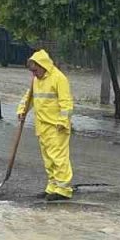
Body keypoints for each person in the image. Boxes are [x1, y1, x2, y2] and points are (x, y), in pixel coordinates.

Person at [17, 50, 74, 200]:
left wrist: (63, 122)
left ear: (43, 66)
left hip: (56, 127)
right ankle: (52, 187)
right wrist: (22, 110)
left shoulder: (59, 78)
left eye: (35, 70)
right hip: (42, 126)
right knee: (48, 159)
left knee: (58, 158)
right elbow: (29, 97)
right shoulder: (36, 80)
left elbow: (66, 103)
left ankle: (63, 190)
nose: (34, 74)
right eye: (32, 71)